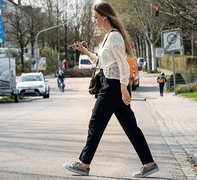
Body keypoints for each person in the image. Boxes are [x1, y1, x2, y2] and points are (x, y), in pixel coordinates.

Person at [63, 2, 159, 178]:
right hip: (111, 84)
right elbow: (101, 63)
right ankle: (149, 163)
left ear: (104, 17)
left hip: (113, 86)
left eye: (95, 17)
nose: (94, 20)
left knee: (95, 122)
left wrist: (123, 88)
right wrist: (84, 50)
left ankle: (84, 164)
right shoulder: (108, 37)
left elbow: (123, 64)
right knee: (130, 126)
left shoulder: (114, 37)